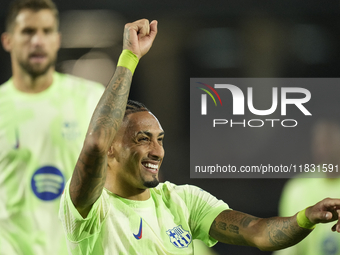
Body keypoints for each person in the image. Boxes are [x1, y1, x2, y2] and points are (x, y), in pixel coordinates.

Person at [59, 19, 340, 255]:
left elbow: (257, 232)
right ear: (112, 149)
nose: (157, 150)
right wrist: (129, 58)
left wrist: (307, 217)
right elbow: (95, 143)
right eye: (143, 139)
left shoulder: (182, 202)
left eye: (160, 139)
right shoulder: (91, 209)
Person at [0, 0, 104, 254]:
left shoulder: (92, 99)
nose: (38, 41)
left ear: (57, 40)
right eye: (27, 32)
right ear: (7, 41)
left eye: (46, 32)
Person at [274, 120, 340, 255]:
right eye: (318, 139)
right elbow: (286, 246)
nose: (322, 146)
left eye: (329, 137)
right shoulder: (298, 188)